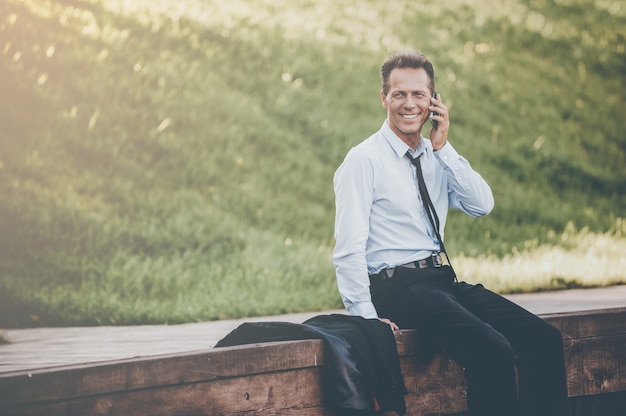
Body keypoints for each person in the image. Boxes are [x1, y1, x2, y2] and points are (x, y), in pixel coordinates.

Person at [332, 49, 570, 416]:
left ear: (433, 101)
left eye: (419, 95)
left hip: (441, 282)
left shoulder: (436, 155)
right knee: (493, 350)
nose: (408, 104)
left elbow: (482, 204)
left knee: (543, 340)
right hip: (396, 287)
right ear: (383, 98)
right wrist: (365, 317)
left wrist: (443, 147)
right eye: (399, 94)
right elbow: (349, 247)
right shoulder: (363, 160)